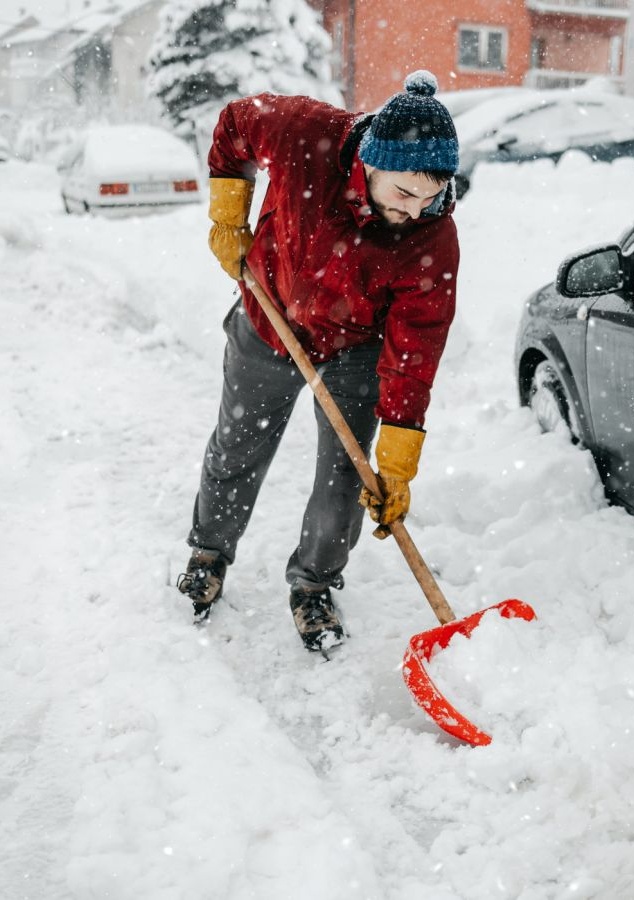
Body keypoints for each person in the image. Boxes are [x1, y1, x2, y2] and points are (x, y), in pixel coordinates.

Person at [176, 71, 460, 653]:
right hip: (268, 317)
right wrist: (228, 217)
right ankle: (208, 554)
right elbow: (234, 124)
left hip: (354, 348)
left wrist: (398, 459)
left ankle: (314, 586)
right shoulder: (305, 134)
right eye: (405, 193)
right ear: (371, 164)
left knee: (347, 479)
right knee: (238, 446)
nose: (417, 209)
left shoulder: (431, 236)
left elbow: (416, 351)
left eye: (431, 196)